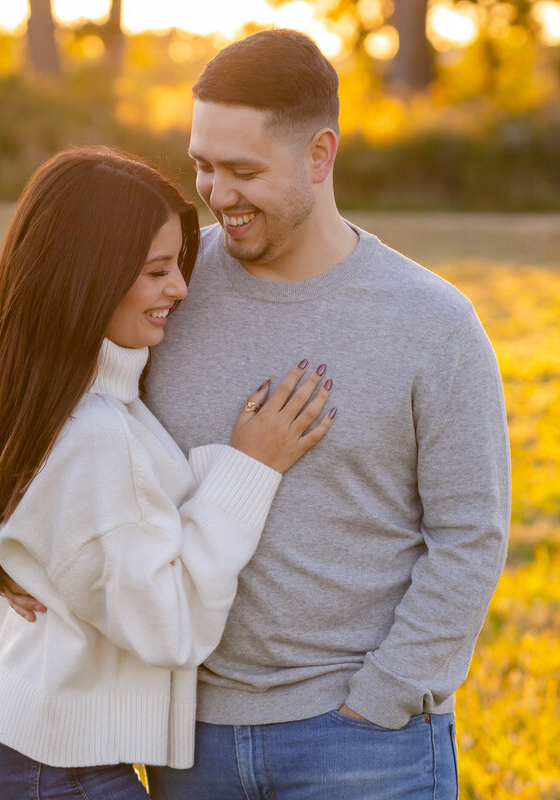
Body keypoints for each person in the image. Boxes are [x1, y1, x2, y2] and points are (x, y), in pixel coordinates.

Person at [137, 29, 511, 799]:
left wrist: (384, 699)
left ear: (319, 155)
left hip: (364, 747)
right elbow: (72, 411)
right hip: (187, 741)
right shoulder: (163, 286)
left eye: (243, 170)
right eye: (202, 165)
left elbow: (470, 536)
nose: (217, 192)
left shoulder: (433, 323)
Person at [0, 145, 336, 799]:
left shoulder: (56, 393)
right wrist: (248, 468)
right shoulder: (97, 437)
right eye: (157, 270)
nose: (181, 289)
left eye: (179, 266)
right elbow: (172, 627)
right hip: (65, 765)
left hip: (42, 739)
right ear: (87, 277)